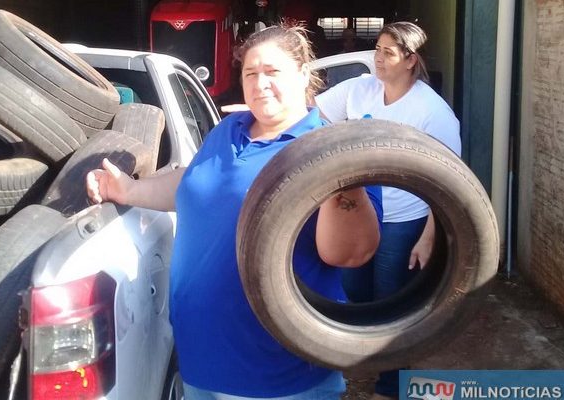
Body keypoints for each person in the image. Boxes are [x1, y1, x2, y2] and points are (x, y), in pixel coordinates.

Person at [87, 23, 383, 399]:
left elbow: (350, 252)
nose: (260, 84)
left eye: (272, 72)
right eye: (250, 73)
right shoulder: (228, 130)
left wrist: (343, 178)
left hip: (280, 375)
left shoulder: (334, 149)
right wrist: (127, 189)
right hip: (201, 362)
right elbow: (193, 184)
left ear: (304, 74)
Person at [314, 21, 461, 400]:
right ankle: (365, 364)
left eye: (388, 53)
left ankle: (389, 386)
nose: (378, 59)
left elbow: (449, 182)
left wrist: (429, 238)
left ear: (411, 60)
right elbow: (314, 117)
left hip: (403, 220)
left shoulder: (432, 111)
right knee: (355, 292)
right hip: (360, 214)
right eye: (377, 49)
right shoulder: (360, 90)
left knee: (391, 305)